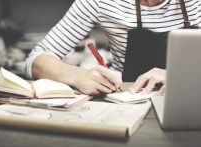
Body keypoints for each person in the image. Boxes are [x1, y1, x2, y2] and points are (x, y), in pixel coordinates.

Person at [25, 0, 201, 95]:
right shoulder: (100, 2)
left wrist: (180, 77)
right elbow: (35, 60)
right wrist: (78, 75)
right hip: (126, 104)